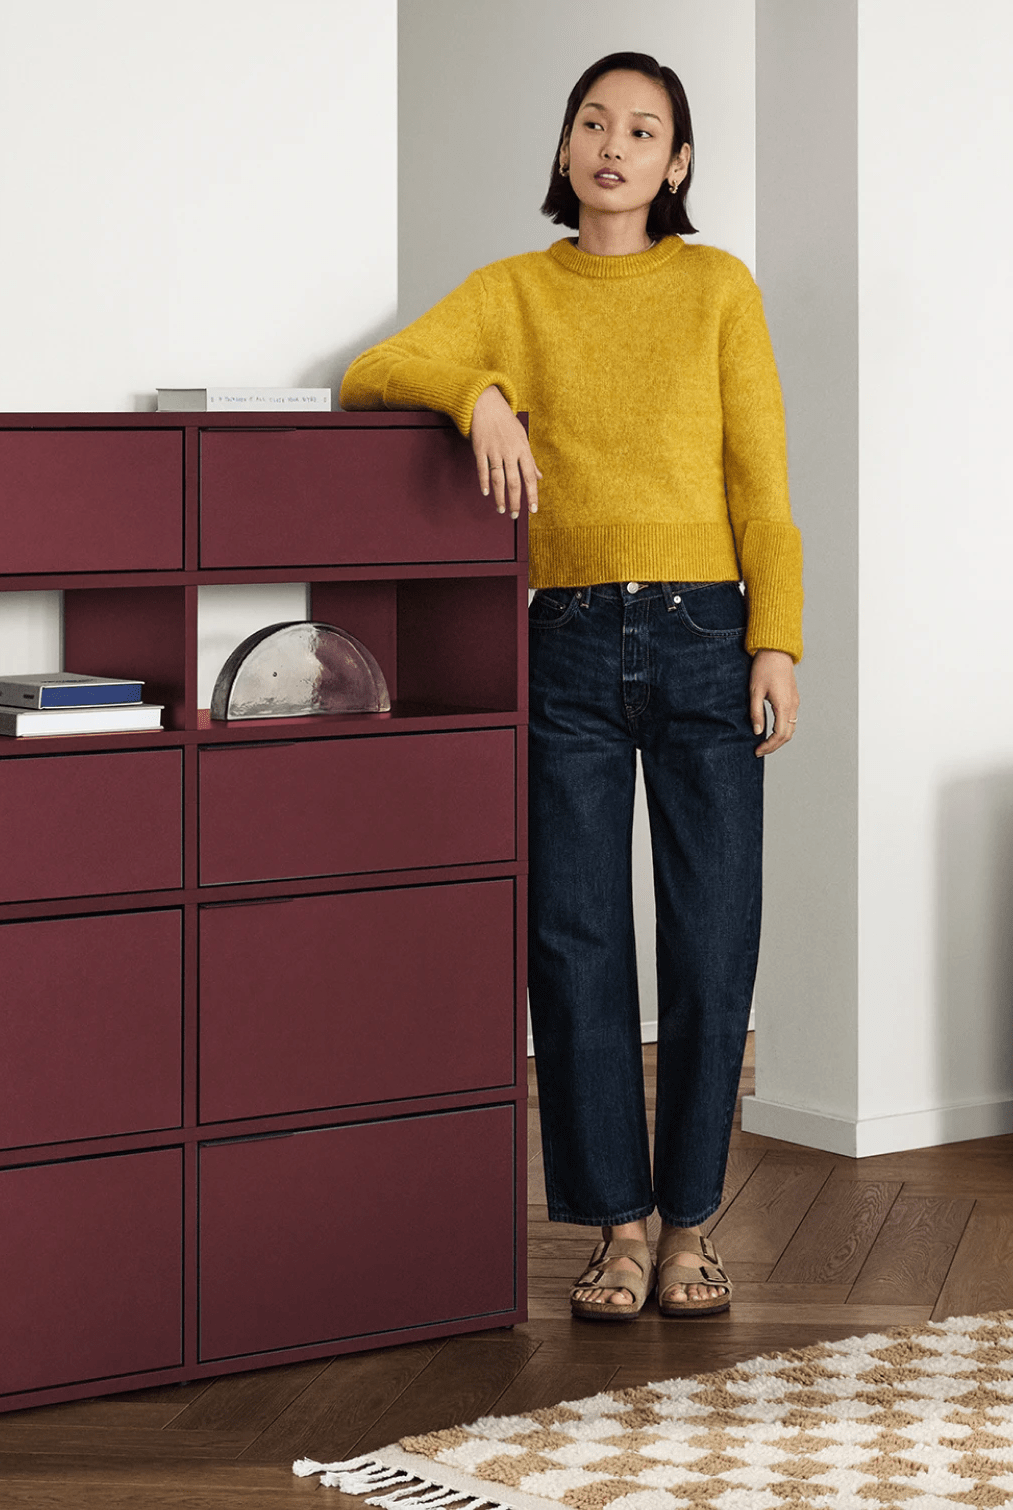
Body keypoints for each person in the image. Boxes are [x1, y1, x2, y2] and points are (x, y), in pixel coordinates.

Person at [343, 51, 801, 1320]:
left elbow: (760, 481)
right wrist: (477, 392)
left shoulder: (717, 288)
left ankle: (694, 1220)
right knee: (575, 938)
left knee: (711, 937)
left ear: (678, 162)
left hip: (708, 634)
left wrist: (779, 639)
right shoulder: (510, 292)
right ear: (561, 151)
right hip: (568, 644)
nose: (614, 145)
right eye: (591, 123)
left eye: (642, 129)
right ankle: (616, 1224)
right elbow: (375, 371)